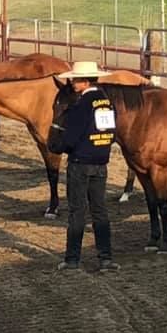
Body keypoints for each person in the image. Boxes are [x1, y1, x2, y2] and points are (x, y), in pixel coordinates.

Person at [51, 61, 120, 272]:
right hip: (101, 163)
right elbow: (111, 134)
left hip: (80, 163)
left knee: (77, 211)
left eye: (75, 79)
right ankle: (105, 258)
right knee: (99, 211)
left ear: (85, 81)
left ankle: (72, 259)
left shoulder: (81, 105)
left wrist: (59, 147)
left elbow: (71, 137)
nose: (72, 82)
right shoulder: (106, 103)